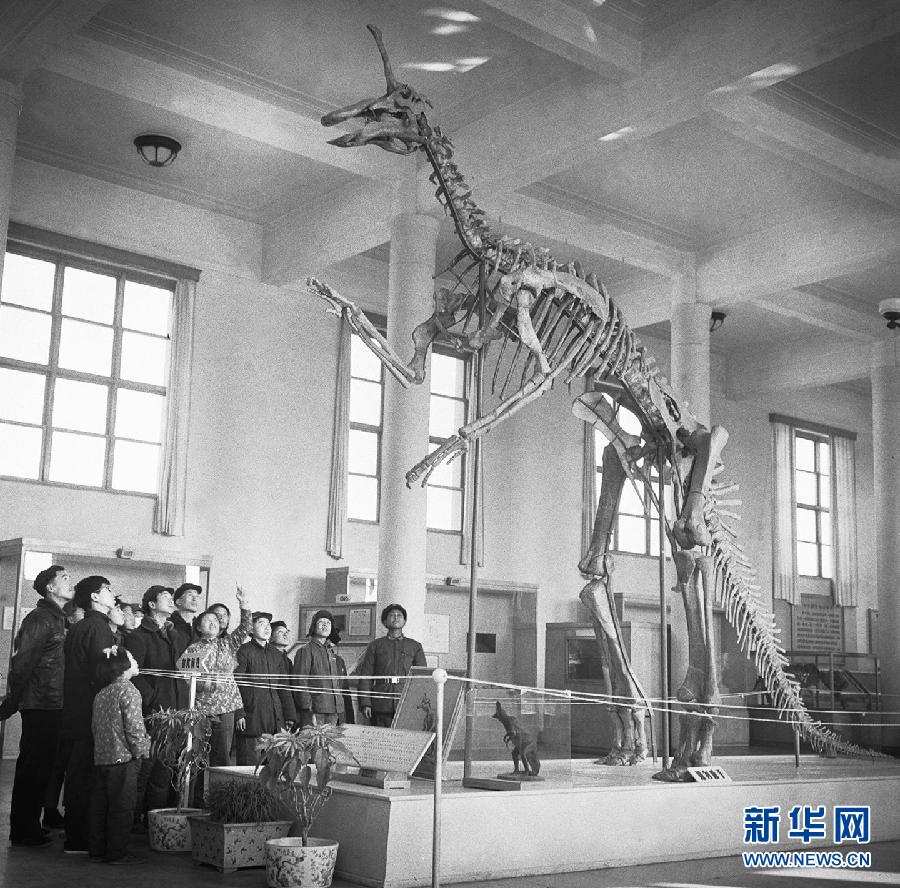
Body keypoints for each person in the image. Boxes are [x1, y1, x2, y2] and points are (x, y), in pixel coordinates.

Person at [0, 565, 71, 847]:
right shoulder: (41, 618)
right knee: (33, 768)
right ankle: (22, 830)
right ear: (50, 588)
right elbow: (21, 663)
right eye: (63, 578)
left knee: (42, 768)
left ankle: (29, 826)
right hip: (41, 702)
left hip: (52, 702)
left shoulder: (58, 618)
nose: (69, 582)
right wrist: (12, 701)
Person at [60, 575, 118, 854]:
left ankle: (76, 835)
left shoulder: (82, 626)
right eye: (107, 590)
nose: (112, 594)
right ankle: (79, 838)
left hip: (75, 710)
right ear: (95, 597)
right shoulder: (98, 627)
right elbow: (103, 674)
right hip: (89, 713)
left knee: (77, 773)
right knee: (84, 776)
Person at [123, 585, 182, 825]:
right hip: (153, 712)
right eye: (166, 597)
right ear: (151, 604)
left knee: (164, 770)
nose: (171, 601)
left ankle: (153, 820)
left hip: (174, 711)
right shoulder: (138, 636)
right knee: (145, 769)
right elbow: (133, 673)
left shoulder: (173, 634)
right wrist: (152, 697)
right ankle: (132, 820)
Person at [178, 586, 252, 767]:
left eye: (216, 620)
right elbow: (187, 679)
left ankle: (217, 794)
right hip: (200, 709)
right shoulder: (192, 649)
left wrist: (243, 603)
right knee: (196, 757)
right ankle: (195, 795)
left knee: (222, 759)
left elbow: (245, 627)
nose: (213, 622)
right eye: (208, 620)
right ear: (198, 627)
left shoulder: (227, 644)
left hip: (226, 707)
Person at [89, 647, 150, 866]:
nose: (135, 661)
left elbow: (96, 727)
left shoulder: (102, 693)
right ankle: (117, 854)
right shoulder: (129, 690)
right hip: (124, 759)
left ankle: (96, 850)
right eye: (132, 658)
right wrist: (142, 750)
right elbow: (134, 727)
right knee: (122, 808)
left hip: (102, 758)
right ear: (122, 667)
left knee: (100, 807)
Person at [233, 612, 297, 765]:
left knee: (274, 767)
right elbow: (235, 682)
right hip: (251, 716)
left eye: (268, 624)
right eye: (261, 623)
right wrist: (238, 712)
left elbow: (284, 686)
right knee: (249, 766)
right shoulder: (243, 651)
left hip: (275, 719)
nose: (267, 627)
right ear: (251, 628)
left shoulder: (276, 654)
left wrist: (289, 715)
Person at [358, 603, 426, 727]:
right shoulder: (375, 645)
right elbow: (365, 676)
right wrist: (365, 703)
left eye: (399, 615)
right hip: (380, 703)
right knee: (380, 740)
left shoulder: (415, 646)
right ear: (385, 621)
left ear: (404, 621)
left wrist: (419, 703)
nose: (396, 617)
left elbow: (422, 678)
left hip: (406, 702)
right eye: (392, 615)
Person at [293, 611, 344, 727]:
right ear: (313, 626)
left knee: (330, 744)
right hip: (316, 711)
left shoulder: (330, 651)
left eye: (328, 623)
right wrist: (308, 710)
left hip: (334, 709)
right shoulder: (305, 651)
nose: (325, 625)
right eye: (321, 622)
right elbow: (300, 682)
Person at [170, 583, 203, 657]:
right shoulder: (168, 624)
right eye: (190, 595)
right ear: (178, 601)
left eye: (197, 596)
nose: (195, 599)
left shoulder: (201, 626)